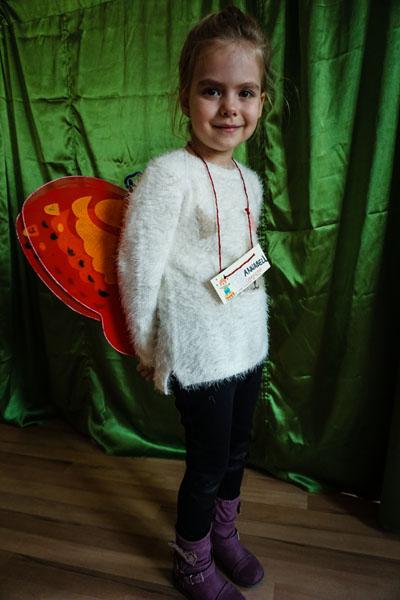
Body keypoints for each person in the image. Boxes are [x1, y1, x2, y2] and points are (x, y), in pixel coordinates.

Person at [117, 6, 272, 599]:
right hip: (198, 351)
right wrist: (147, 345)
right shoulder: (168, 175)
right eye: (212, 90)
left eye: (245, 92)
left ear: (261, 102)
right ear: (185, 97)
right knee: (207, 463)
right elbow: (138, 266)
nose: (230, 107)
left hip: (246, 343)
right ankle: (192, 558)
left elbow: (246, 263)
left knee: (236, 451)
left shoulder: (250, 182)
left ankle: (223, 534)